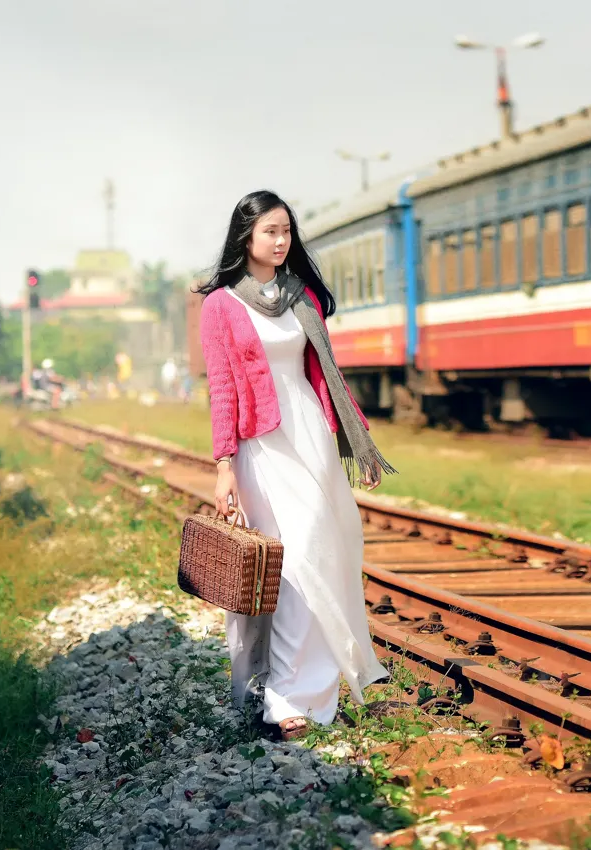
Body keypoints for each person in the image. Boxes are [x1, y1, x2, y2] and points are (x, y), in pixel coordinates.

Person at [196, 189, 395, 741]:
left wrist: (360, 443)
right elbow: (222, 390)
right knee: (294, 560)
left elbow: (325, 373)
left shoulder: (300, 295)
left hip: (311, 434)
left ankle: (313, 685)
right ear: (246, 238)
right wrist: (224, 465)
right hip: (262, 443)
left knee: (331, 549)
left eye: (287, 231)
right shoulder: (221, 306)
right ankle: (283, 696)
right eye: (270, 232)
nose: (282, 241)